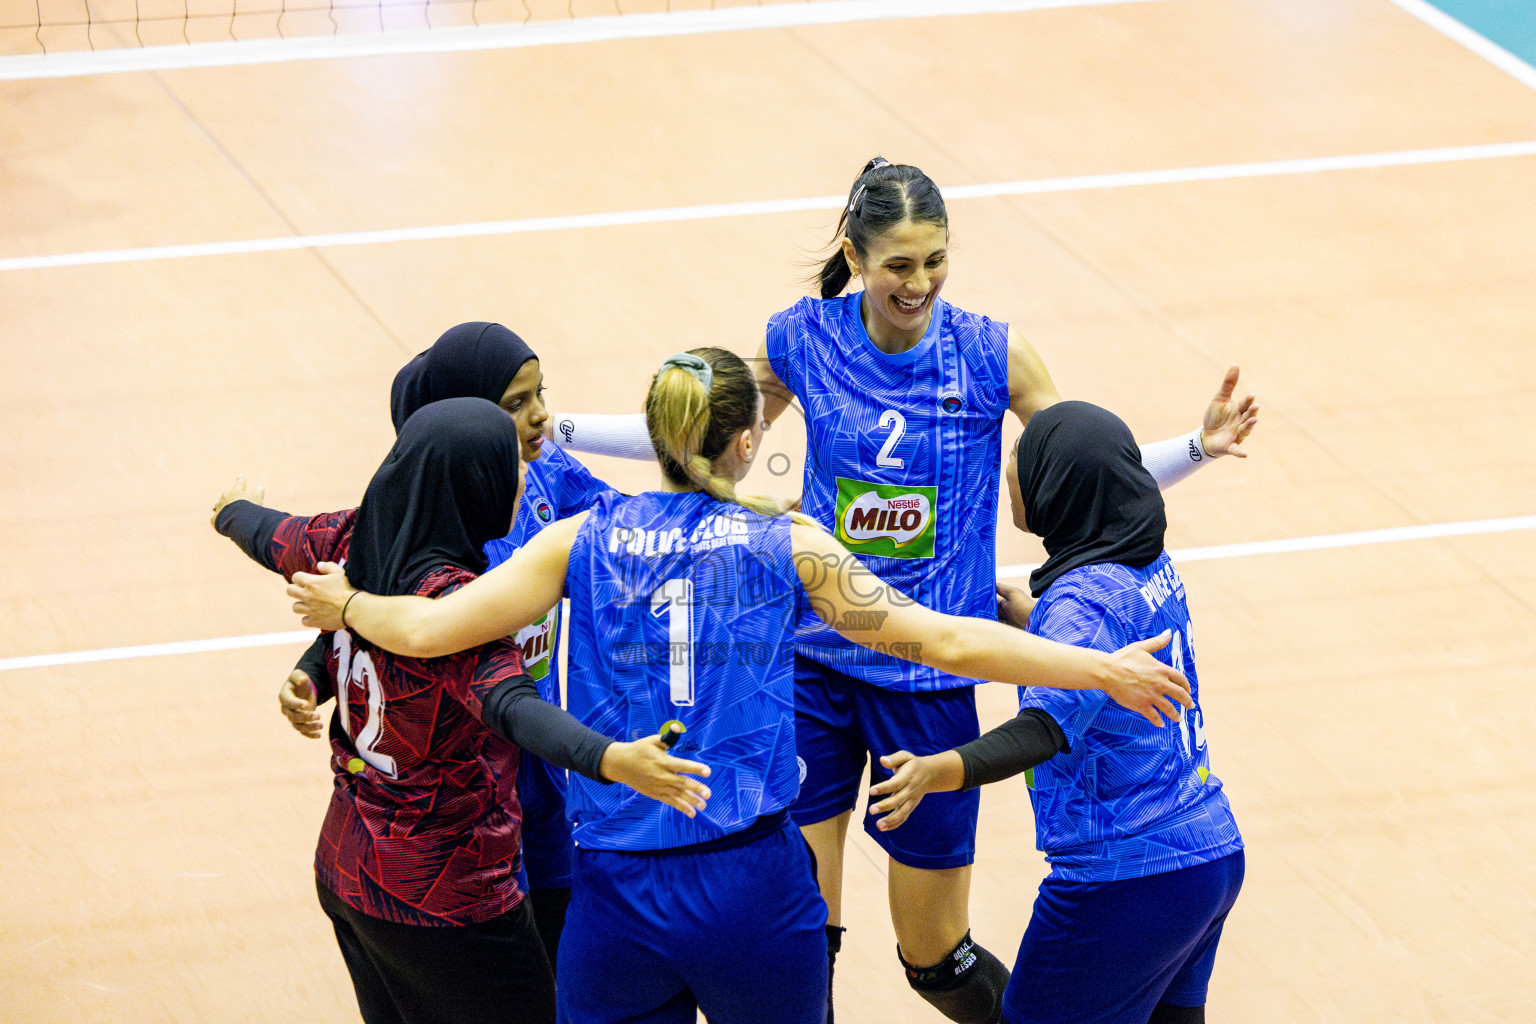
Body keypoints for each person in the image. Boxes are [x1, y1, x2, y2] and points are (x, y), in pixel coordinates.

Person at [283, 348, 1195, 1024]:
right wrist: (1098, 667)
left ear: (657, 437)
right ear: (749, 439)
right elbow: (944, 642)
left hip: (619, 895)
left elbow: (430, 628)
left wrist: (348, 601)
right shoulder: (788, 546)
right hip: (751, 887)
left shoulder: (577, 543)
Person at [546, 158, 1256, 1023]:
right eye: (899, 265)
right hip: (814, 669)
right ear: (856, 253)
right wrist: (560, 427)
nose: (919, 284)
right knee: (805, 931)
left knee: (936, 961)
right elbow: (693, 423)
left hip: (926, 672)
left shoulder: (993, 352)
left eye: (936, 262)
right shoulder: (803, 339)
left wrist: (1197, 447)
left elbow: (1086, 471)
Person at [212, 397, 707, 1024]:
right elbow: (517, 709)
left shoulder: (351, 535)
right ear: (475, 487)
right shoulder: (454, 612)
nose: (527, 476)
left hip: (346, 869)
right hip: (447, 897)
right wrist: (610, 759)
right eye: (510, 468)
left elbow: (271, 533)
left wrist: (228, 511)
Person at [867, 401, 1244, 1024]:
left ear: (1055, 485)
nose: (1009, 469)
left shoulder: (1080, 606)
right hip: (1207, 856)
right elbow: (1096, 659)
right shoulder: (1143, 559)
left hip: (1124, 878)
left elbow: (1041, 731)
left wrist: (940, 770)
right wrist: (1037, 627)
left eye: (1021, 456)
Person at [277, 320, 615, 969]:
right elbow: (372, 615)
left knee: (560, 939)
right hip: (473, 774)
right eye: (516, 403)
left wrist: (725, 520)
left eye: (541, 391)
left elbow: (628, 525)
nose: (542, 414)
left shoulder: (550, 475)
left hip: (540, 766)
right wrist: (311, 673)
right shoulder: (434, 514)